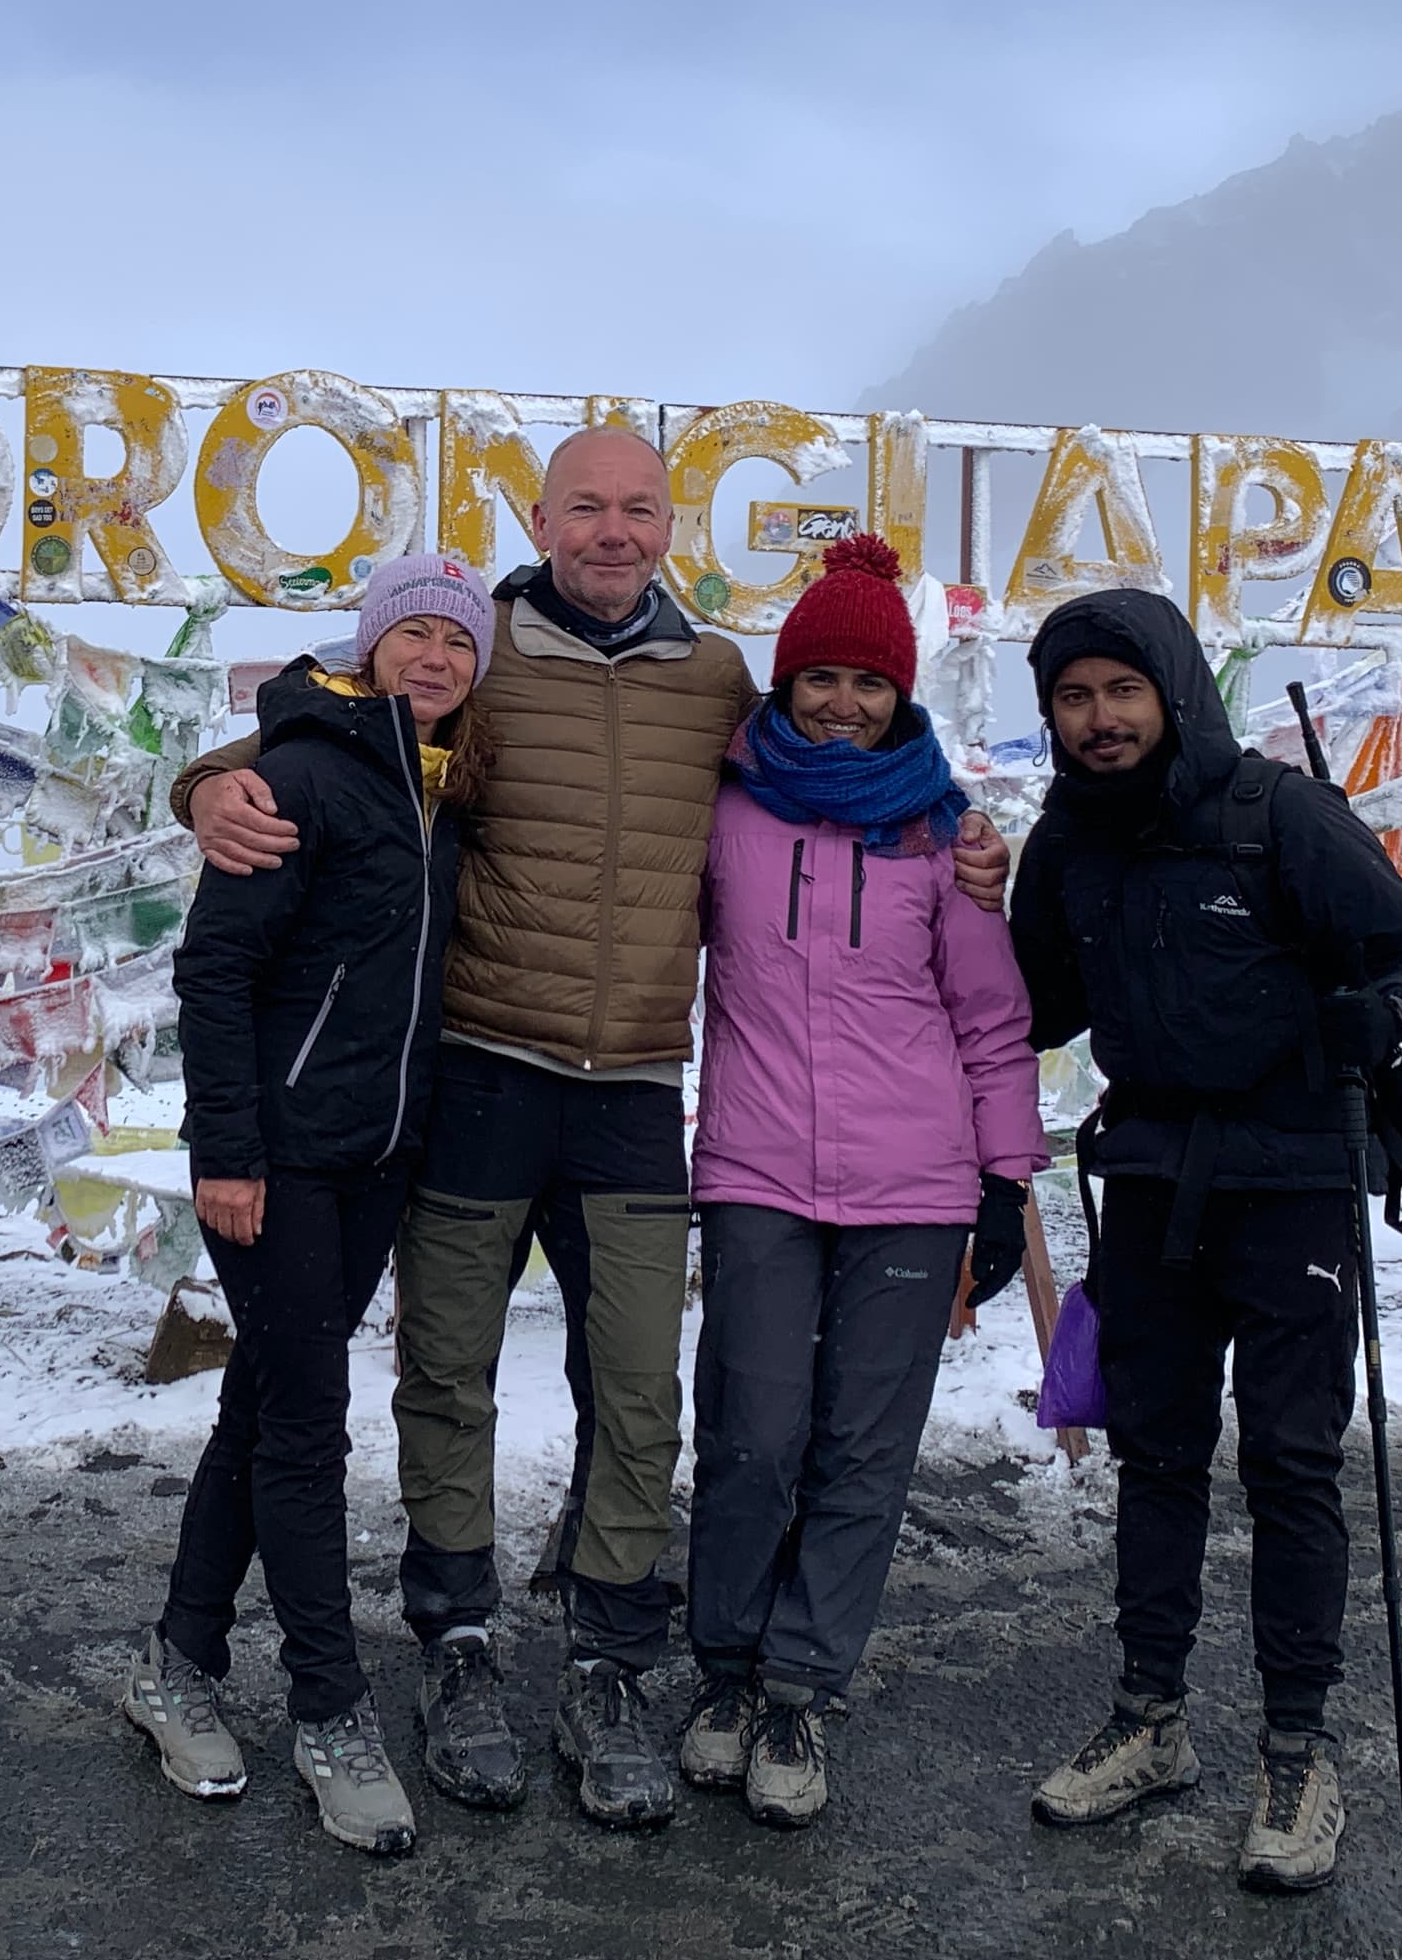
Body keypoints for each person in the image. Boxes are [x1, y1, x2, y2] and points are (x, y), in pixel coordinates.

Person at [183, 432, 1011, 1827]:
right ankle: (454, 1638)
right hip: (479, 1076)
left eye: (638, 508)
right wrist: (203, 784)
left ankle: (614, 1655)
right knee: (448, 1374)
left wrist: (977, 839)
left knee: (638, 1393)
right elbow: (337, 726)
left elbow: (848, 777)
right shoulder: (480, 648)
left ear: (667, 521)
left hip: (635, 1088)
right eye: (587, 507)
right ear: (541, 516)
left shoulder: (718, 683)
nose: (613, 532)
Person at [1006, 587, 1402, 1893]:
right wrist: (966, 901)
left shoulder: (1281, 817)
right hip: (1151, 1176)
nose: (1099, 721)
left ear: (1172, 693)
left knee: (1290, 1466)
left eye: (1120, 693)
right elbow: (1036, 1005)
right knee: (1155, 1459)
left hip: (1295, 1186)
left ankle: (1297, 1753)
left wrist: (1389, 1022)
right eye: (1074, 700)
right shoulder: (1067, 847)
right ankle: (1151, 1719)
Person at [676, 537, 1045, 1829]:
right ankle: (721, 1671)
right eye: (819, 677)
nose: (841, 702)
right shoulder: (723, 807)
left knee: (861, 1449)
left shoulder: (946, 836)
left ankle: (801, 1688)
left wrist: (1003, 1184)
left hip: (916, 1184)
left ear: (902, 696)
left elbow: (992, 1022)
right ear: (784, 683)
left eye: (867, 683)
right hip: (760, 1170)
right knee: (753, 1435)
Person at [122, 552, 485, 1856]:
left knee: (264, 1400)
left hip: (376, 1161)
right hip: (276, 1160)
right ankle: (329, 1708)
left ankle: (177, 1660)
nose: (437, 658)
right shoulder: (302, 779)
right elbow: (215, 973)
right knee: (307, 1431)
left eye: (460, 642)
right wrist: (226, 1152)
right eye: (416, 635)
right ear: (372, 646)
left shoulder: (441, 793)